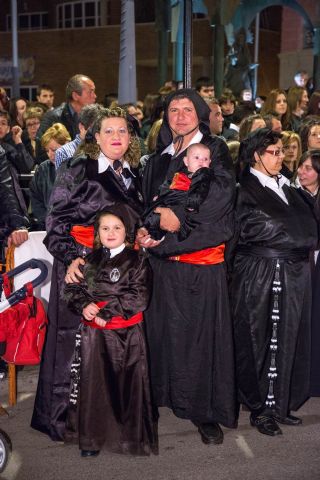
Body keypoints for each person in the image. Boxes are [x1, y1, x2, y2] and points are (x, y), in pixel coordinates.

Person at [31, 107, 144, 441]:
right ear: (95, 137)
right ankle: (69, 422)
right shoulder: (78, 168)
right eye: (108, 131)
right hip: (80, 270)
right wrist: (73, 258)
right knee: (74, 347)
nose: (116, 138)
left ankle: (107, 419)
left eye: (122, 131)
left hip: (117, 274)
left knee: (110, 345)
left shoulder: (132, 173)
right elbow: (55, 224)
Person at [139, 88, 237, 445]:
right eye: (172, 110)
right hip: (163, 268)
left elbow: (217, 203)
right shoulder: (158, 158)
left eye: (187, 109)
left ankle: (204, 412)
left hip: (199, 266)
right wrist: (148, 229)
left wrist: (171, 223)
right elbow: (145, 202)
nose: (179, 115)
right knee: (161, 337)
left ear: (200, 114)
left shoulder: (217, 151)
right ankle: (157, 400)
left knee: (199, 343)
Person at [230, 128, 318, 437]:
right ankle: (260, 409)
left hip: (292, 271)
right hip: (261, 273)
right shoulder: (243, 190)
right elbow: (236, 236)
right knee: (260, 340)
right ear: (256, 155)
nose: (282, 157)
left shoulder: (288, 188)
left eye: (282, 151)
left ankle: (280, 404)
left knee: (288, 337)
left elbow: (306, 227)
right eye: (275, 152)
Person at [63, 210, 158, 457]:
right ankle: (92, 439)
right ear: (97, 233)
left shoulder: (137, 261)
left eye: (117, 228)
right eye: (105, 229)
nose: (111, 233)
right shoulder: (89, 260)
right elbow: (73, 290)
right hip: (94, 338)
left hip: (126, 336)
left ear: (126, 232)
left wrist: (108, 313)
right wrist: (84, 306)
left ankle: (130, 440)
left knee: (128, 386)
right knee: (95, 386)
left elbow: (140, 296)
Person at [142, 143, 212, 240]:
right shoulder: (179, 174)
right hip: (168, 201)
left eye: (205, 159)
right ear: (186, 161)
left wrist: (192, 203)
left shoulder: (203, 175)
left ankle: (154, 237)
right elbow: (168, 184)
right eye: (196, 157)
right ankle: (150, 236)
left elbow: (200, 190)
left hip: (181, 205)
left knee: (160, 223)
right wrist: (159, 194)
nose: (201, 161)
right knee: (151, 219)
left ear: (210, 162)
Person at [295, 150, 320, 397]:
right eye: (301, 166)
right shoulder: (292, 196)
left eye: (309, 168)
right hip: (301, 264)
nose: (302, 171)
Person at [29, 123, 71, 230]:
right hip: (47, 228)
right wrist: (47, 221)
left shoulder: (81, 167)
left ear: (67, 144)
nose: (50, 155)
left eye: (54, 150)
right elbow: (36, 199)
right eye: (47, 151)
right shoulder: (42, 169)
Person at [37, 74, 96, 140]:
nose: (95, 96)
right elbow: (42, 147)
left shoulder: (93, 117)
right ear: (75, 96)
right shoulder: (53, 118)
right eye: (91, 92)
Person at [55, 103, 103, 169]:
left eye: (101, 129)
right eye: (94, 129)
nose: (98, 134)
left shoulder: (109, 150)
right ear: (81, 127)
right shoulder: (63, 152)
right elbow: (62, 178)